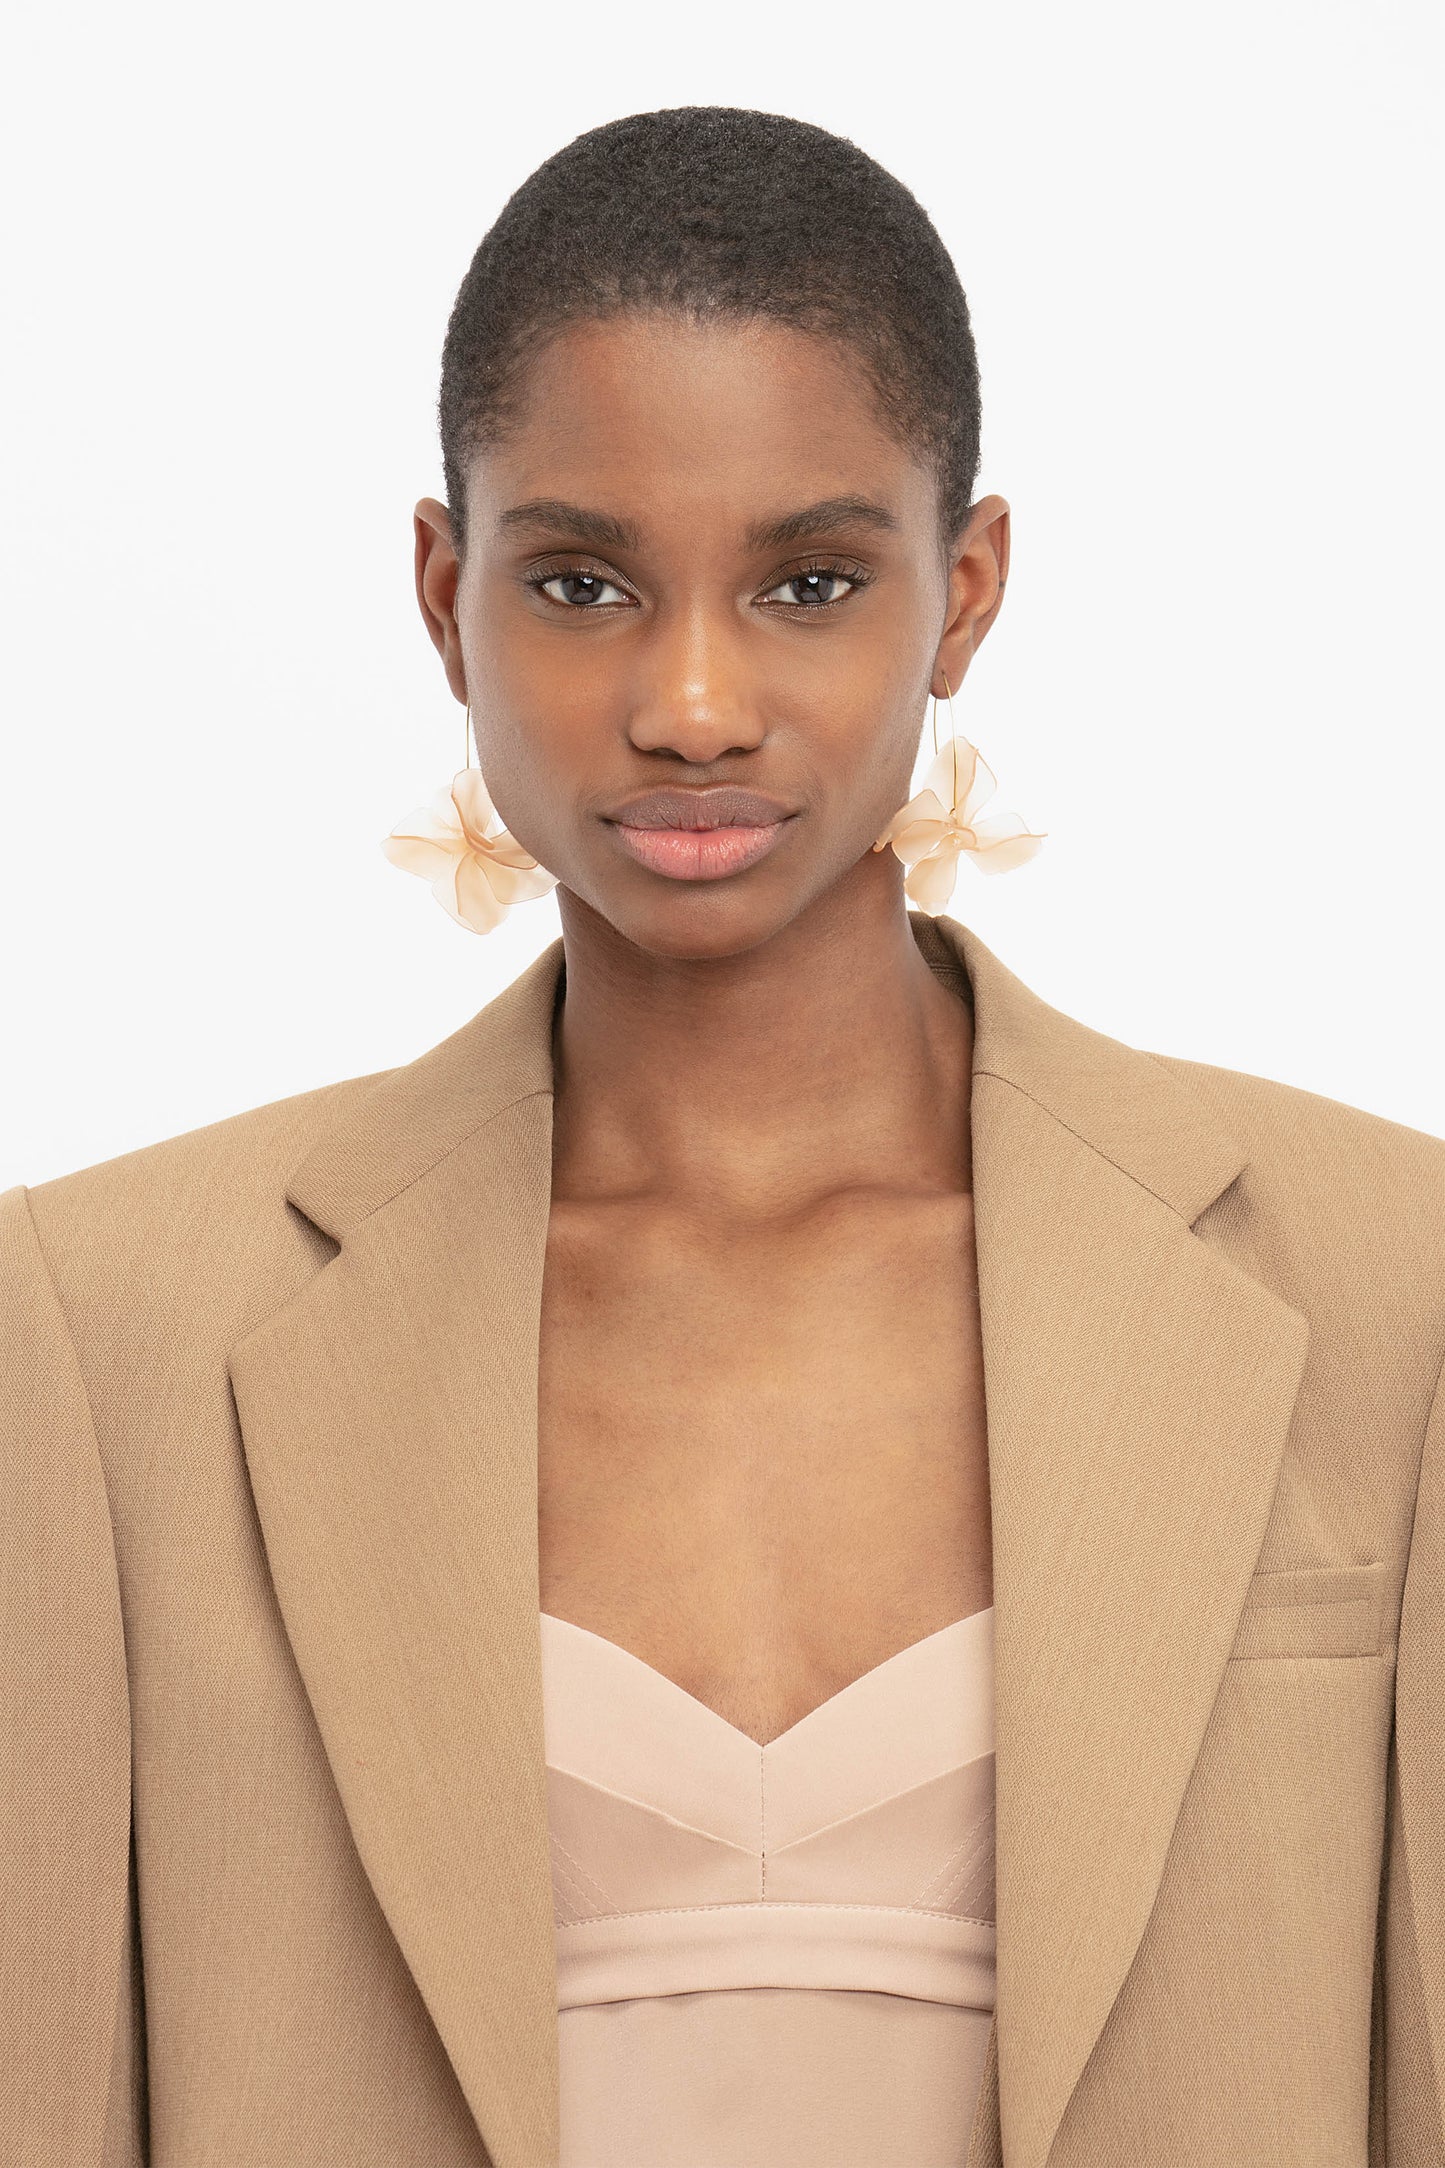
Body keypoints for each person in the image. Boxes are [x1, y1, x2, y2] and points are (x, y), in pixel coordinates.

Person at [2, 104, 1441, 2168]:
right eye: (582, 582)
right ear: (445, 598)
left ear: (964, 592)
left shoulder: (1391, 1284)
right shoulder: (97, 1330)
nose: (690, 703)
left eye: (808, 581)